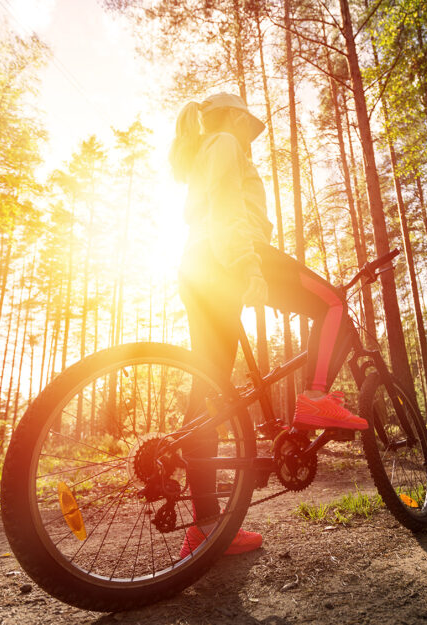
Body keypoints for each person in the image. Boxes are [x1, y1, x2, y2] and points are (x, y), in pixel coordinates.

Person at [169, 93, 368, 558]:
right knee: (333, 303)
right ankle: (317, 396)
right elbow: (225, 207)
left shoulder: (206, 147)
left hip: (197, 266)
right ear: (234, 118)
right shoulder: (223, 140)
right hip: (234, 254)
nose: (253, 139)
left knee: (208, 394)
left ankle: (206, 526)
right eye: (251, 127)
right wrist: (247, 264)